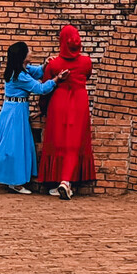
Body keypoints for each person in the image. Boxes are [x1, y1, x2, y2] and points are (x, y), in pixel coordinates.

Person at [0, 41, 68, 196]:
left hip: (18, 110)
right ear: (23, 56)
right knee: (6, 148)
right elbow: (40, 89)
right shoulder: (18, 75)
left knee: (19, 147)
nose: (31, 52)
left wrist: (45, 65)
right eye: (28, 50)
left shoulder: (21, 69)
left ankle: (15, 182)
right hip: (14, 112)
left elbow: (37, 72)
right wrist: (57, 79)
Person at [37, 24, 96, 199]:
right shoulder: (86, 62)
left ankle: (60, 181)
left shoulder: (54, 64)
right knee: (74, 142)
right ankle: (67, 180)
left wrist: (42, 109)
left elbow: (45, 87)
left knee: (58, 142)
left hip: (59, 102)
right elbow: (87, 75)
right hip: (79, 101)